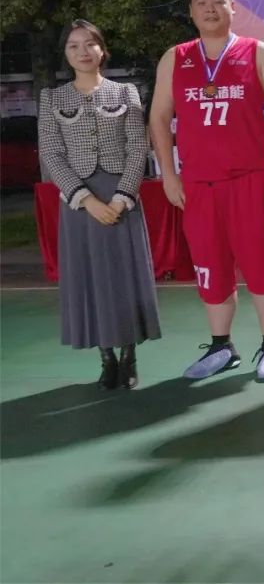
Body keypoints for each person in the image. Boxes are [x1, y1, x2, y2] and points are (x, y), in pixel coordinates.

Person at [149, 0, 264, 381]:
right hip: (198, 185)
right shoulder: (175, 58)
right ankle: (221, 347)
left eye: (218, 0)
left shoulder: (257, 52)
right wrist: (169, 174)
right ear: (191, 12)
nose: (210, 8)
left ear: (233, 7)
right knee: (210, 266)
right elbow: (158, 118)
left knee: (263, 266)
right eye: (201, 2)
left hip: (251, 181)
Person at [38, 19, 161, 389]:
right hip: (79, 202)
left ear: (102, 50)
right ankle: (106, 358)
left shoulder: (126, 92)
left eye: (89, 44)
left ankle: (129, 355)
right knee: (89, 279)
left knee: (124, 277)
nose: (83, 52)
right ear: (65, 54)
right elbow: (52, 154)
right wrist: (86, 200)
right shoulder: (52, 98)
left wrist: (122, 198)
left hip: (123, 197)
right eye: (73, 46)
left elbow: (137, 147)